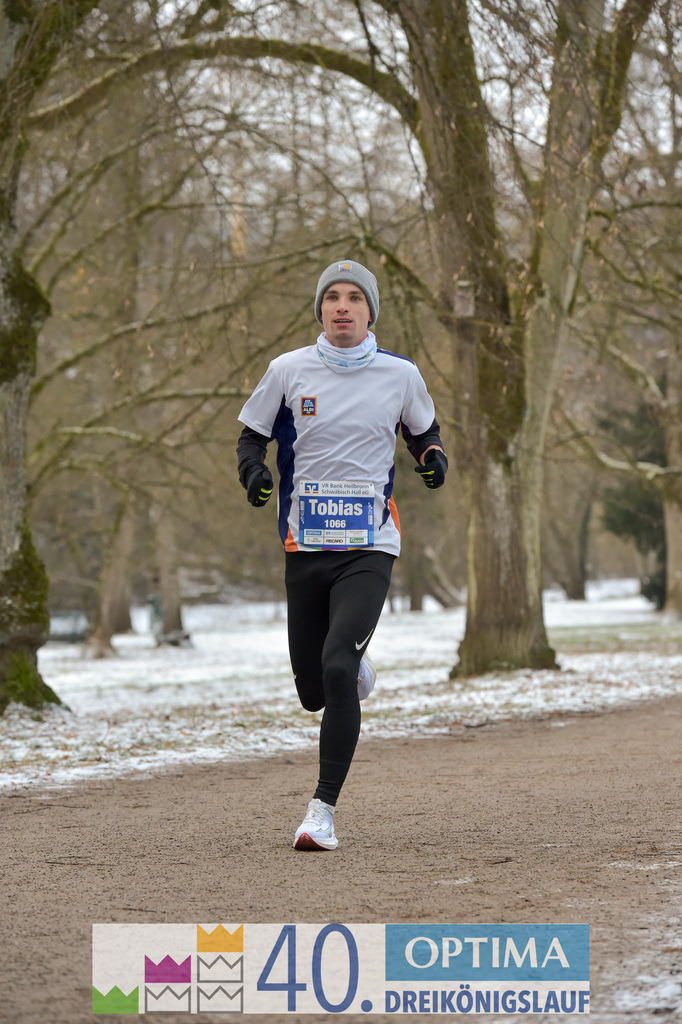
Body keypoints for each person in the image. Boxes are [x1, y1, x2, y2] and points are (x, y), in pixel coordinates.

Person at [237, 259, 447, 851]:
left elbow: (424, 433)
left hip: (369, 545)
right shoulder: (287, 370)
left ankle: (321, 813)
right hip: (304, 545)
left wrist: (433, 458)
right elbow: (252, 435)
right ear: (321, 310)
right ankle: (350, 666)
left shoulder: (400, 375)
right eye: (332, 297)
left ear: (371, 311)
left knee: (333, 665)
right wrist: (253, 473)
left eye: (355, 297)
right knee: (313, 690)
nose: (343, 306)